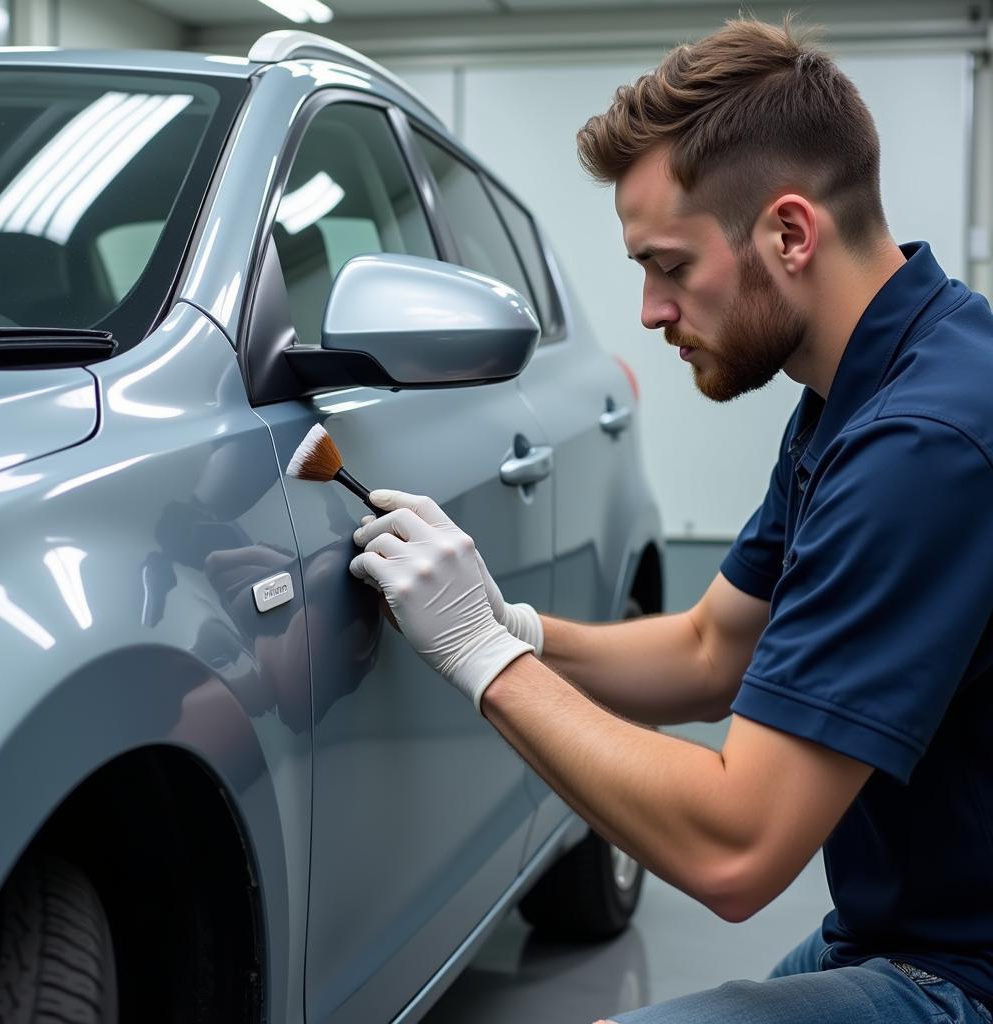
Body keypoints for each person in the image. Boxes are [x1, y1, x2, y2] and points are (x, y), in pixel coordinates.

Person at [348, 17, 993, 1024]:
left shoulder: (923, 441)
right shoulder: (858, 388)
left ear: (788, 234)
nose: (649, 311)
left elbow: (736, 846)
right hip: (910, 923)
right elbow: (707, 653)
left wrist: (481, 656)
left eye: (670, 265)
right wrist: (520, 628)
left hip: (964, 967)